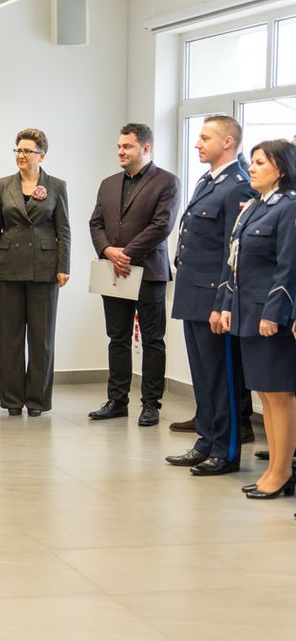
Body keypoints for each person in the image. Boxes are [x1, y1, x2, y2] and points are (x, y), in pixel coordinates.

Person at [165, 116, 256, 476]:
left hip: (214, 299)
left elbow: (231, 254)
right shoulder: (208, 180)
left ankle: (226, 450)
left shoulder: (238, 185)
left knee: (223, 379)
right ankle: (206, 440)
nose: (197, 144)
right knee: (203, 376)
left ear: (228, 142)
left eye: (205, 138)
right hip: (192, 295)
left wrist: (224, 302)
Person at [214, 139, 296, 499]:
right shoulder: (252, 208)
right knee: (265, 394)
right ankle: (274, 468)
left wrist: (273, 314)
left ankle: (281, 472)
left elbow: (287, 268)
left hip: (269, 319)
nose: (253, 168)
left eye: (261, 163)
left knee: (280, 396)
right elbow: (236, 262)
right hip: (248, 315)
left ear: (280, 168)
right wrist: (228, 305)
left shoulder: (288, 207)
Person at [88, 123, 181, 426]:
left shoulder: (167, 182)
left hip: (148, 271)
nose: (121, 151)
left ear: (145, 148)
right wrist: (108, 251)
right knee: (118, 338)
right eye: (119, 146)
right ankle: (117, 400)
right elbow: (96, 223)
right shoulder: (109, 183)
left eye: (127, 146)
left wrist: (126, 252)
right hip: (113, 271)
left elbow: (162, 226)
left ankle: (151, 403)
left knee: (153, 339)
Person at [0, 129, 71, 417]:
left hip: (45, 270)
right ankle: (11, 399)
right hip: (8, 268)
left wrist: (63, 266)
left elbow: (63, 230)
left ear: (41, 156)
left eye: (27, 151)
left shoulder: (56, 186)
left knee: (41, 338)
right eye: (17, 150)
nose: (21, 156)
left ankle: (37, 400)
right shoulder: (3, 185)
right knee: (8, 338)